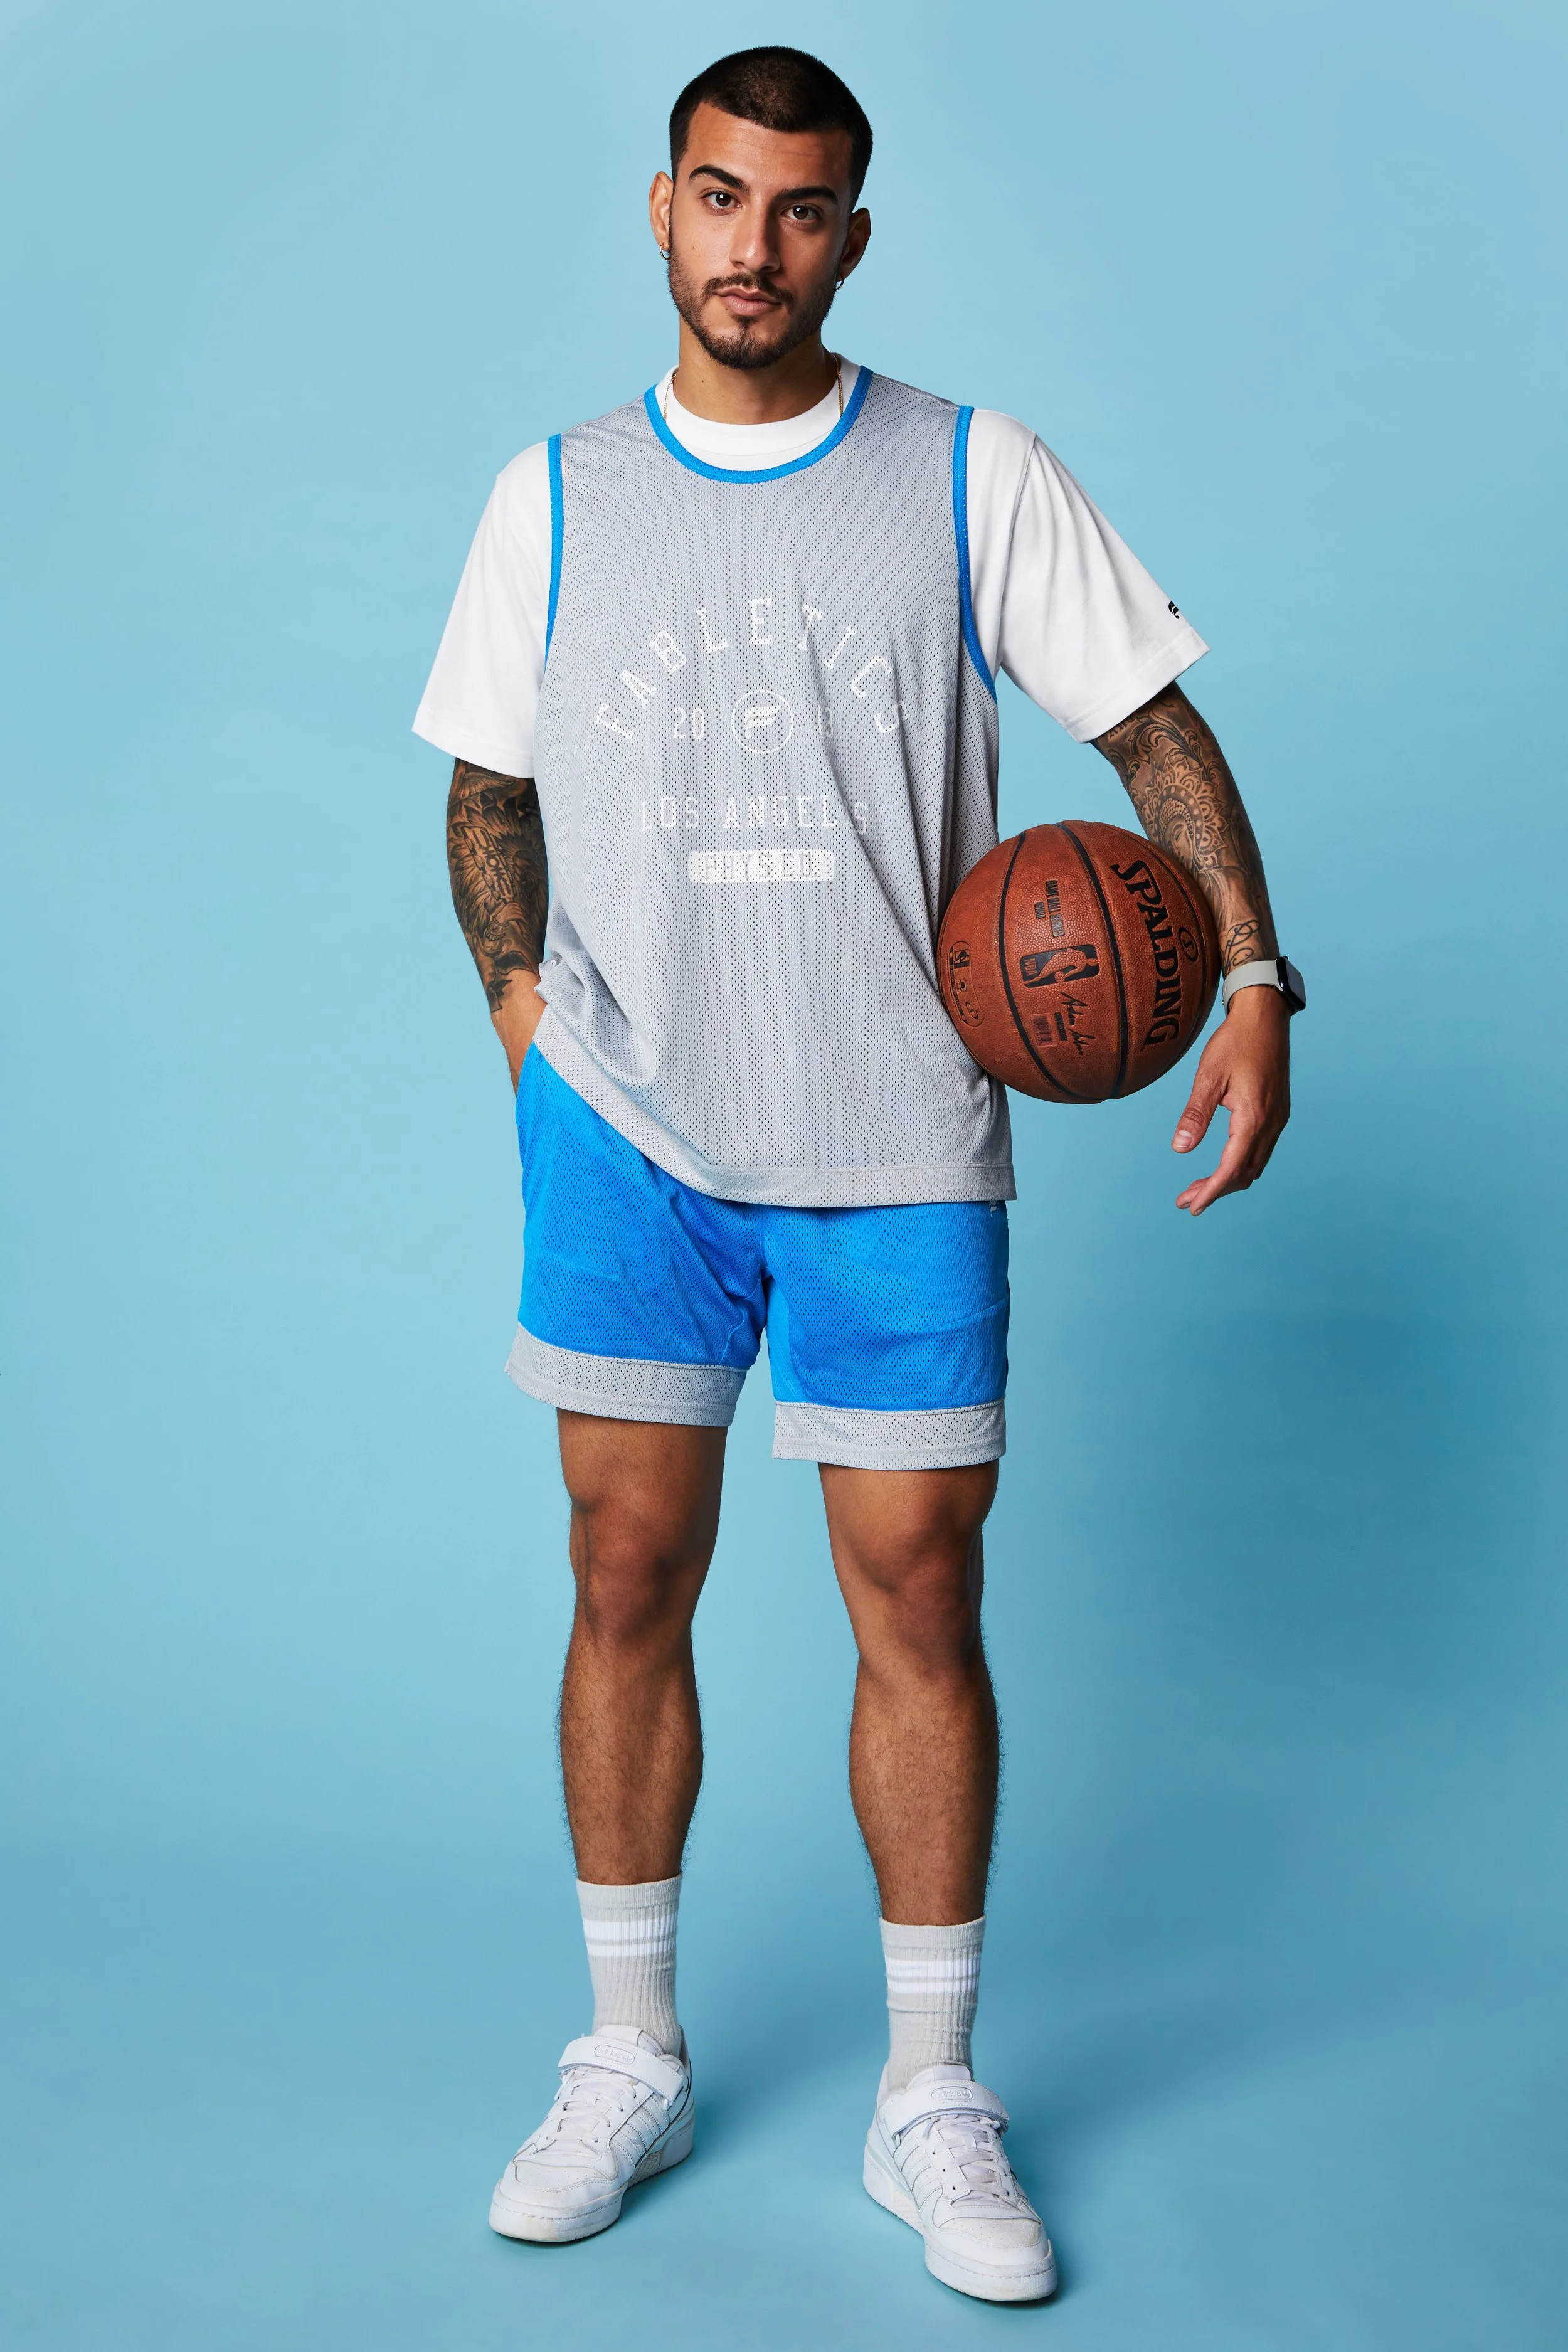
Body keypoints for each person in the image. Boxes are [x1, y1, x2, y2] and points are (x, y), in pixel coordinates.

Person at [415, 45, 1298, 2304]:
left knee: (914, 1594)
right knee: (625, 1571)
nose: (753, 245)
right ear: (658, 208)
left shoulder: (964, 469)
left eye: (800, 210)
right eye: (718, 198)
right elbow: (486, 787)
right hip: (631, 1127)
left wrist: (1257, 978)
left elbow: (1155, 730)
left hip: (897, 1136)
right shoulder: (556, 491)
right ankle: (628, 2051)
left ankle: (929, 2094)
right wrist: (528, 1029)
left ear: (853, 237)